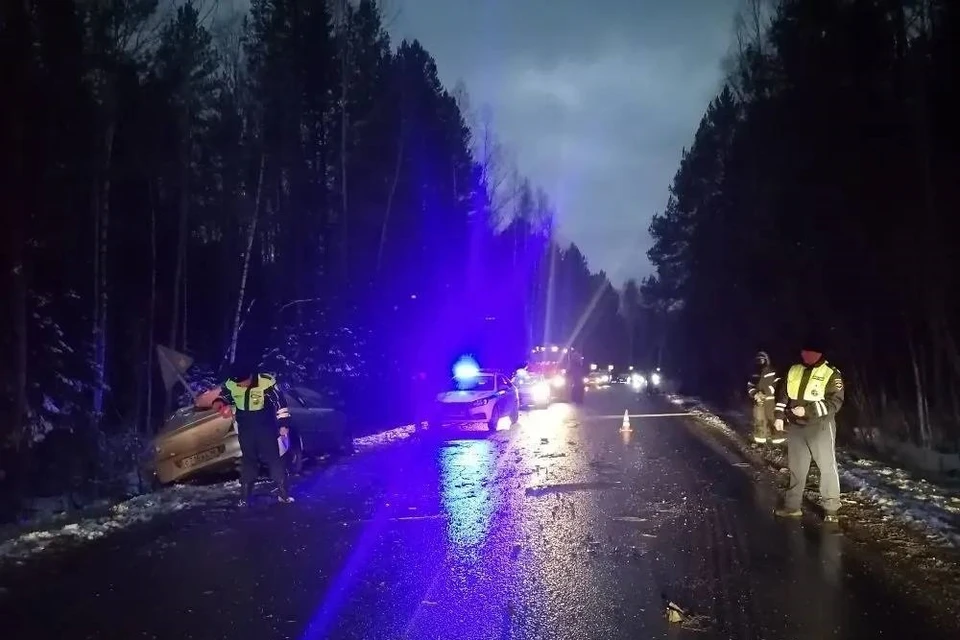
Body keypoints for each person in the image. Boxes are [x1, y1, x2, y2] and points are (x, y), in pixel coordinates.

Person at [772, 338, 844, 523]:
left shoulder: (831, 373)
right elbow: (783, 395)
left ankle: (831, 510)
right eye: (804, 352)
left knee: (827, 467)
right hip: (796, 427)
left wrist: (808, 411)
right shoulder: (794, 369)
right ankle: (792, 507)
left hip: (820, 426)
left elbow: (835, 402)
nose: (805, 355)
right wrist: (779, 416)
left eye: (810, 352)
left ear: (818, 353)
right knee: (796, 467)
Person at [212, 362, 294, 506]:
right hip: (245, 428)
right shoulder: (232, 383)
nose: (240, 385)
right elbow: (224, 396)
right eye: (237, 383)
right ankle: (244, 498)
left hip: (266, 428)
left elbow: (280, 404)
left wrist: (283, 425)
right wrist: (219, 402)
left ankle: (283, 494)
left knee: (275, 459)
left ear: (250, 376)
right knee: (248, 461)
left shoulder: (265, 382)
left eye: (242, 382)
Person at [747, 351, 783, 445]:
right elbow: (750, 385)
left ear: (767, 360)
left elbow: (777, 385)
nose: (760, 362)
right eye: (758, 360)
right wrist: (755, 394)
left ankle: (778, 441)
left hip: (771, 401)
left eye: (762, 360)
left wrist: (766, 393)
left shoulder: (773, 372)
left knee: (773, 419)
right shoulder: (754, 374)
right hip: (759, 402)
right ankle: (760, 442)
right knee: (759, 421)